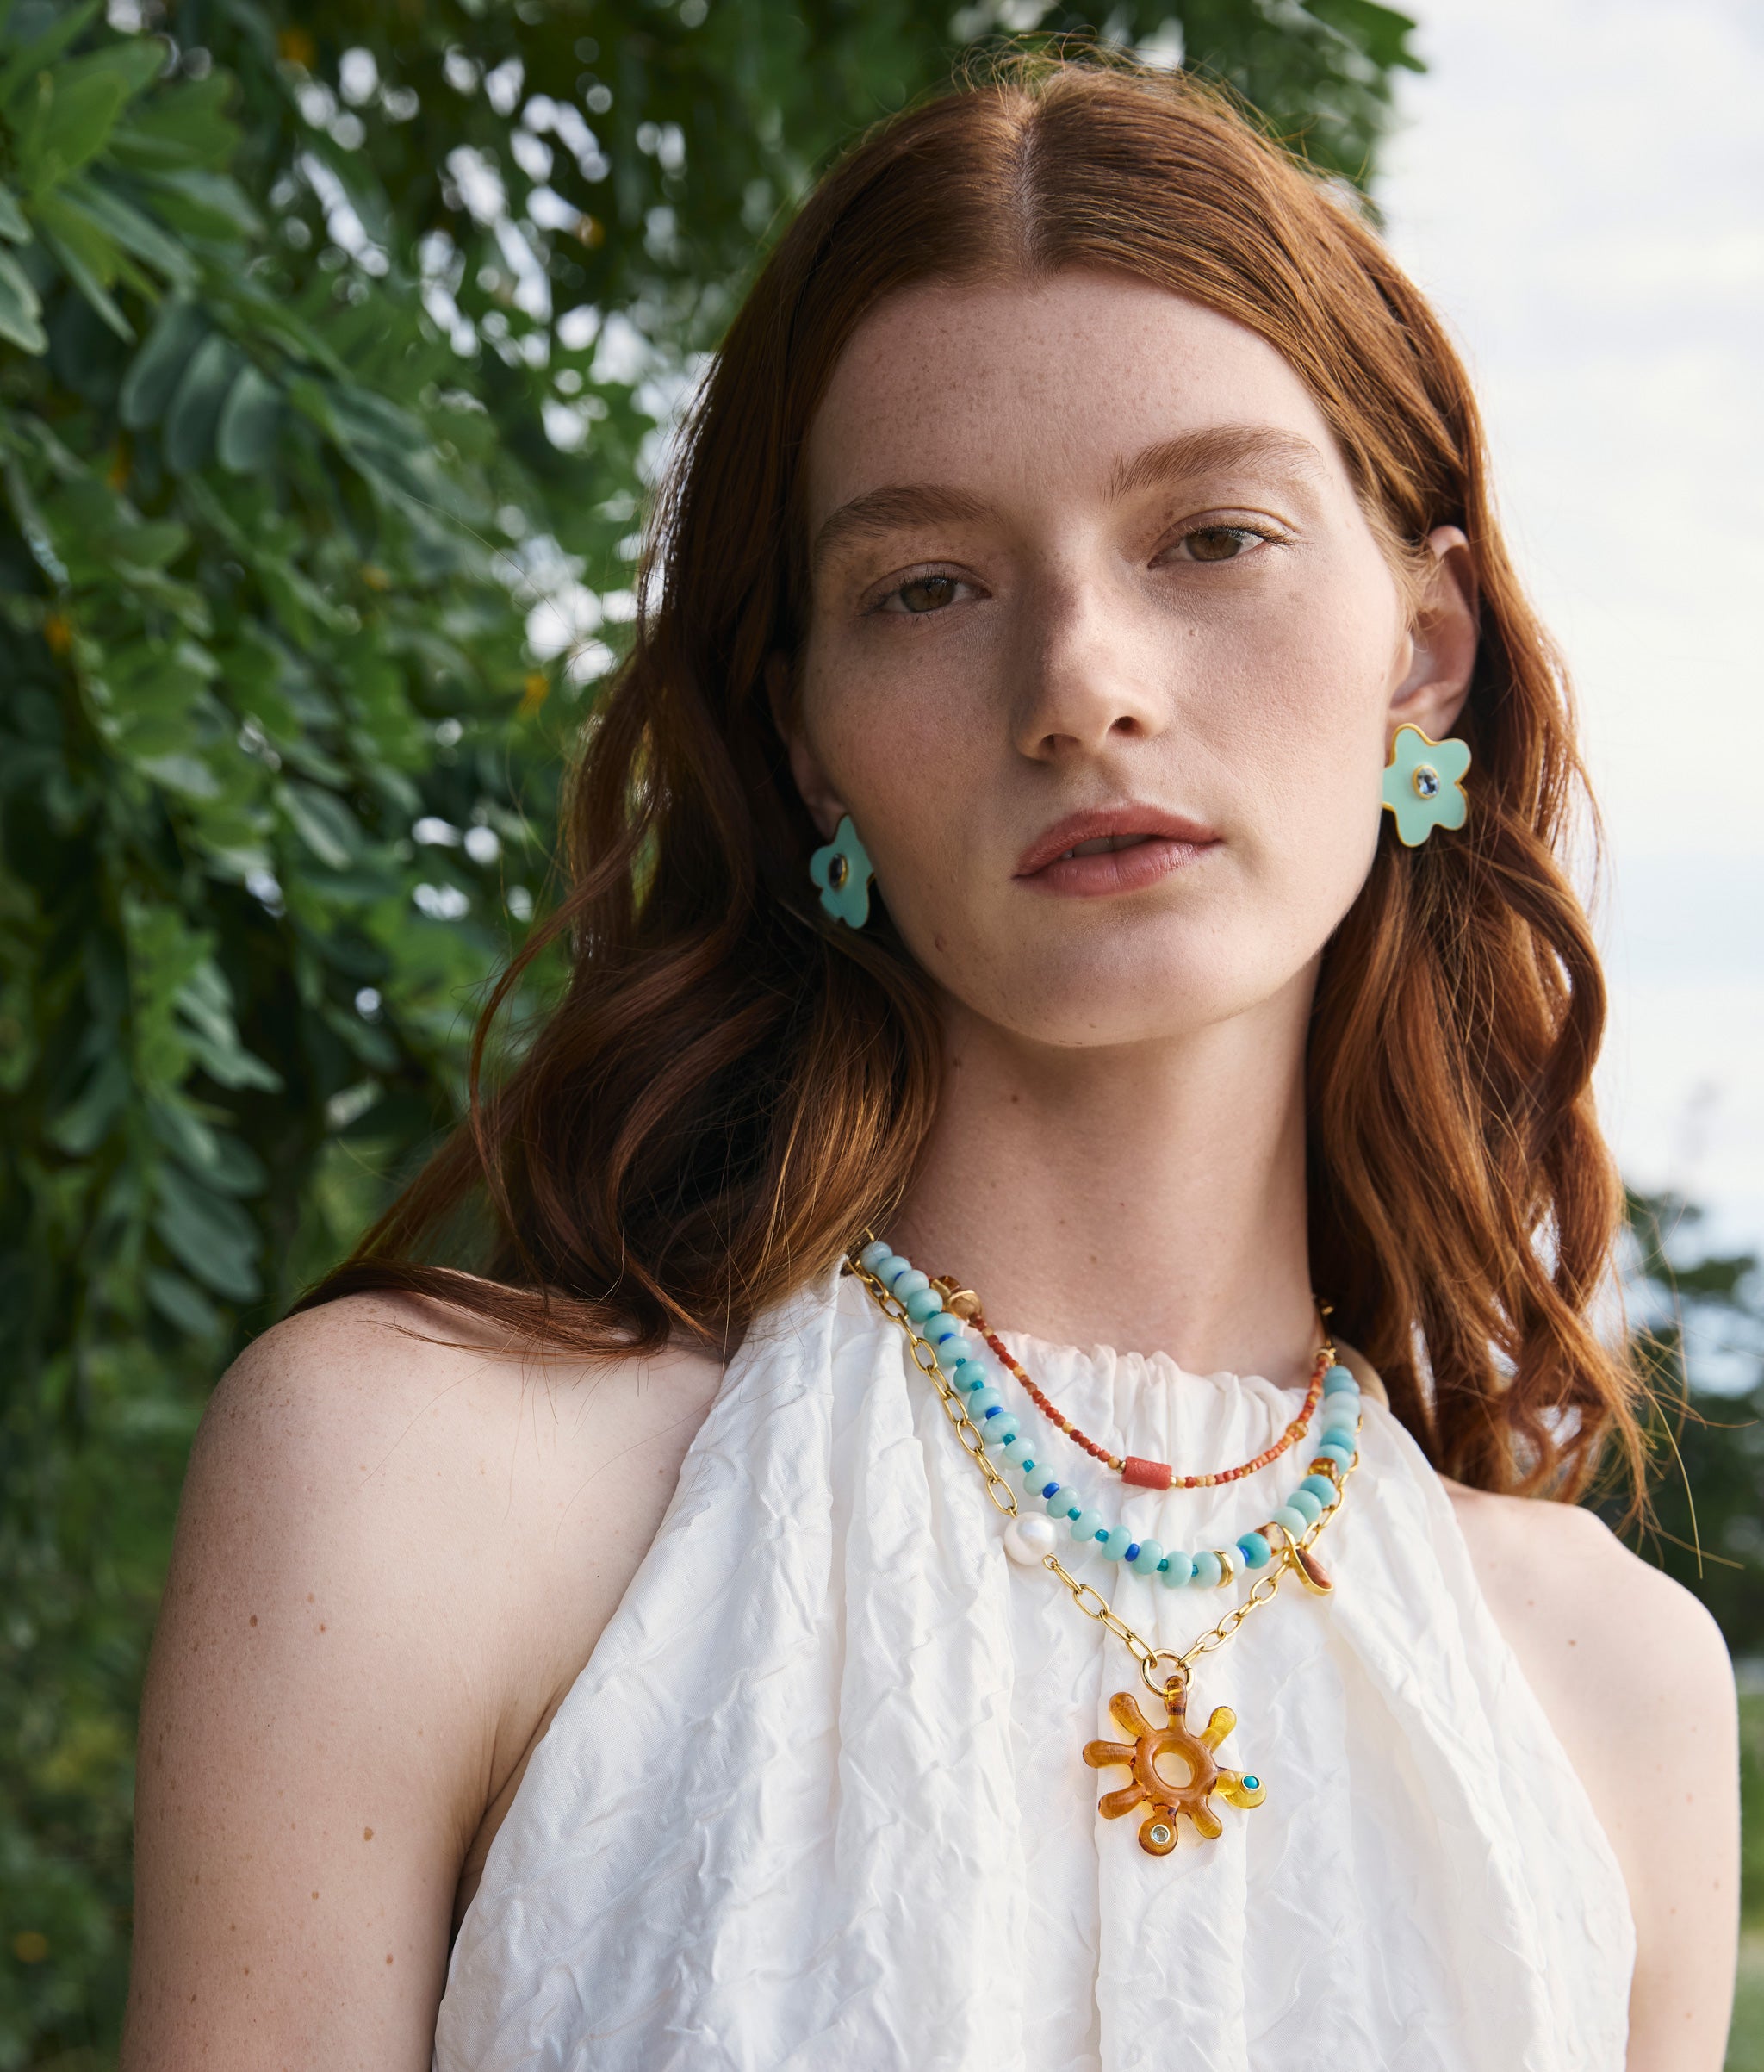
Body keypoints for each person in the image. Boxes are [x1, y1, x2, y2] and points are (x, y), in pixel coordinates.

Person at [121, 55, 1740, 2072]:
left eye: (1210, 537)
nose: (1081, 685)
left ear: (1422, 647)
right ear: (806, 739)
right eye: (928, 587)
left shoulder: (1614, 1694)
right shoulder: (411, 1486)